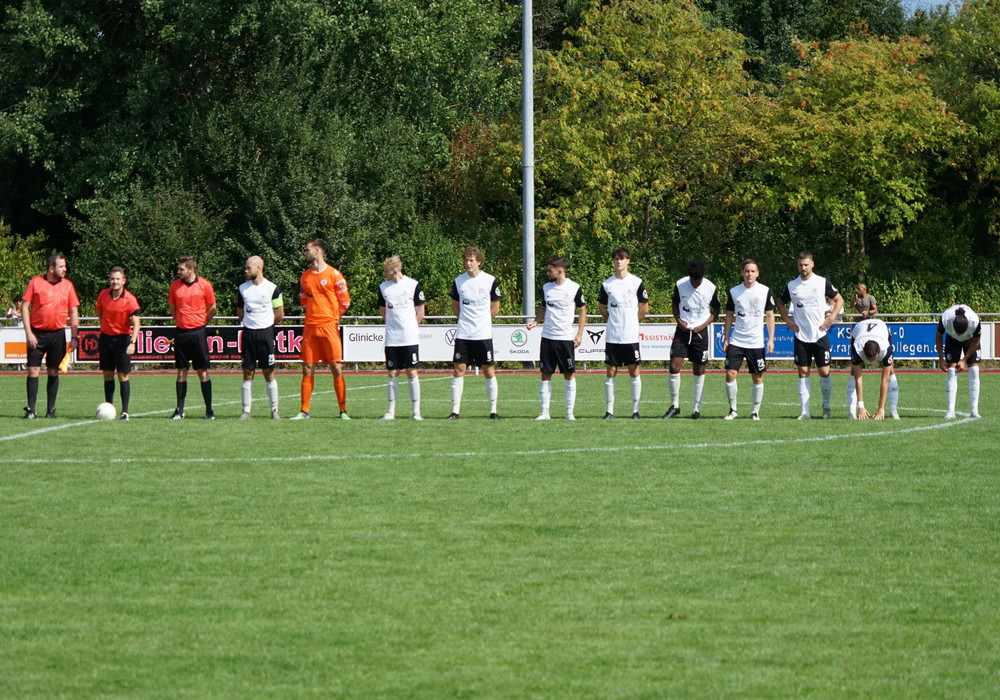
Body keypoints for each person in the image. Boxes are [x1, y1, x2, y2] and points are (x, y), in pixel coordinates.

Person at [775, 250, 844, 419]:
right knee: (803, 371)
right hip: (801, 336)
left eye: (806, 265)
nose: (803, 268)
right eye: (800, 265)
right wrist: (788, 322)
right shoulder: (792, 285)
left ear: (812, 264)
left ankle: (826, 406)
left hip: (819, 335)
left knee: (824, 372)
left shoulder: (822, 282)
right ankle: (804, 411)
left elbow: (839, 300)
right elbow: (780, 303)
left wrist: (830, 319)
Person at [290, 238, 352, 420]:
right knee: (307, 367)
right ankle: (304, 411)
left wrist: (332, 318)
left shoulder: (334, 275)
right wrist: (313, 316)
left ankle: (343, 411)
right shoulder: (305, 276)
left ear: (317, 251)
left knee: (336, 367)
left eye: (307, 250)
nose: (305, 253)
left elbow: (345, 302)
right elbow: (303, 301)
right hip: (310, 327)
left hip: (329, 327)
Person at [526, 257, 586, 420]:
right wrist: (536, 321)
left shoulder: (574, 288)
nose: (547, 273)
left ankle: (569, 412)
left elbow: (582, 311)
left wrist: (579, 333)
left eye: (550, 270)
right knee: (545, 374)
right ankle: (545, 411)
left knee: (569, 374)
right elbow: (543, 307)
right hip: (548, 338)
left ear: (560, 271)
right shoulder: (546, 288)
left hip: (565, 339)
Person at [21, 253, 80, 419]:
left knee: (53, 371)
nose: (65, 269)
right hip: (37, 334)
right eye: (62, 266)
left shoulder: (68, 285)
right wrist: (28, 333)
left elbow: (74, 310)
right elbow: (25, 307)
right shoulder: (35, 282)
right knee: (33, 370)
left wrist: (74, 337)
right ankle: (31, 410)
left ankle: (50, 411)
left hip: (57, 335)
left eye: (65, 266)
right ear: (51, 268)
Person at [448, 247, 501, 419]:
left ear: (479, 261)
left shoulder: (490, 281)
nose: (468, 263)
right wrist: (466, 320)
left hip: (483, 334)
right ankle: (455, 412)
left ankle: (493, 411)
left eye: (471, 260)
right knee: (458, 370)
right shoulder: (458, 281)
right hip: (464, 333)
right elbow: (456, 307)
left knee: (489, 371)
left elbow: (495, 307)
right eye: (466, 260)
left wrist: (482, 321)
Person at [663, 259, 720, 420]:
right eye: (693, 280)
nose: (695, 283)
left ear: (703, 276)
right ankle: (675, 406)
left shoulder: (710, 288)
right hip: (682, 331)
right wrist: (679, 321)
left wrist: (704, 325)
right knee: (674, 366)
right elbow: (675, 304)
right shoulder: (680, 284)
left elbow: (716, 310)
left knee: (699, 369)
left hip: (700, 333)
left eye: (698, 280)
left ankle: (696, 409)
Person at [598, 247, 649, 419]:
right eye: (616, 258)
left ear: (628, 260)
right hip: (613, 335)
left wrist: (633, 322)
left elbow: (644, 307)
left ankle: (635, 411)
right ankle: (609, 411)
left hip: (630, 335)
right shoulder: (607, 284)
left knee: (634, 371)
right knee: (611, 371)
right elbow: (602, 308)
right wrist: (613, 321)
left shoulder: (636, 282)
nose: (618, 261)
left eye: (622, 258)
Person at [721, 259, 775, 421]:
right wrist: (726, 338)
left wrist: (770, 339)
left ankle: (755, 411)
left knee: (757, 377)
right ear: (742, 273)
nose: (749, 274)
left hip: (756, 342)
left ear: (757, 273)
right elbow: (729, 315)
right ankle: (733, 410)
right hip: (737, 340)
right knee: (730, 373)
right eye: (746, 271)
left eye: (752, 271)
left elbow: (770, 316)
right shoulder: (734, 291)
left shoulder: (765, 291)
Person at [167, 255, 217, 419]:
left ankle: (209, 411)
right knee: (181, 371)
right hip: (181, 333)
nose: (178, 271)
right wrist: (181, 321)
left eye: (181, 269)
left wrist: (202, 323)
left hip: (198, 333)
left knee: (202, 371)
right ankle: (179, 410)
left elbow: (212, 308)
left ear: (191, 269)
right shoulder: (175, 286)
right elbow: (172, 308)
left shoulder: (205, 285)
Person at [236, 255, 284, 420]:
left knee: (268, 371)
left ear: (258, 268)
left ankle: (274, 410)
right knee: (247, 372)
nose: (245, 270)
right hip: (249, 333)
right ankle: (246, 411)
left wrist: (266, 325)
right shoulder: (242, 288)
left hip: (265, 334)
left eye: (248, 268)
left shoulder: (272, 288)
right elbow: (240, 312)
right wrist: (250, 323)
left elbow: (280, 313)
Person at [378, 256, 425, 420]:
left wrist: (410, 328)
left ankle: (416, 412)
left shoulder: (413, 285)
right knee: (392, 373)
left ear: (395, 271)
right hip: (392, 339)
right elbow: (383, 312)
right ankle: (390, 411)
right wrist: (394, 327)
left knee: (412, 372)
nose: (384, 273)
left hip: (409, 338)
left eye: (386, 271)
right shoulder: (383, 287)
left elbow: (420, 311)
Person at [96, 267, 141, 420]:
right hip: (106, 339)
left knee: (123, 375)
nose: (114, 281)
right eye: (112, 279)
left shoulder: (130, 299)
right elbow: (100, 313)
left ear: (123, 281)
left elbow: (136, 323)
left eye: (117, 279)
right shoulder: (103, 295)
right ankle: (108, 407)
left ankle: (125, 411)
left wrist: (132, 342)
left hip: (122, 340)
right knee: (107, 374)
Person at [847, 318, 900, 420]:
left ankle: (893, 411)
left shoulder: (885, 349)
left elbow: (885, 380)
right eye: (868, 359)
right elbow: (859, 378)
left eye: (873, 359)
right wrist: (861, 406)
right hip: (859, 329)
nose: (871, 362)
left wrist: (881, 408)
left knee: (890, 370)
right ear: (863, 351)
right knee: (854, 372)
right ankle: (851, 412)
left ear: (878, 353)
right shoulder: (857, 348)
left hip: (881, 328)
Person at [936, 304, 982, 419]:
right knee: (951, 371)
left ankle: (974, 411)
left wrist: (964, 360)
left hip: (970, 340)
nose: (959, 335)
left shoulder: (975, 321)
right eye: (958, 332)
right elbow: (938, 336)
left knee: (974, 370)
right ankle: (951, 411)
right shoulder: (945, 318)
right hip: (952, 340)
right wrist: (941, 359)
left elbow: (976, 340)